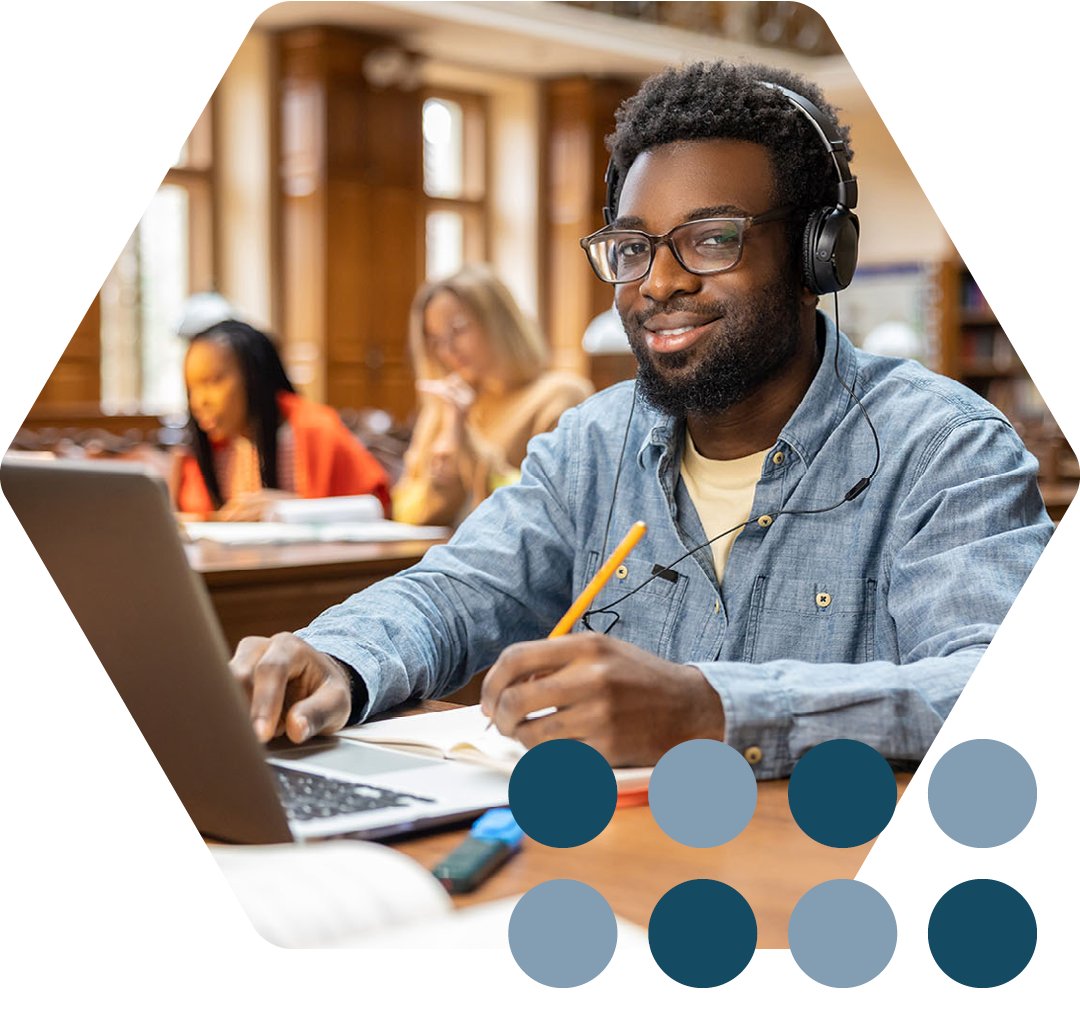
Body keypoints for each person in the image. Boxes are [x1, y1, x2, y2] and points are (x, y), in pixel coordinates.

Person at [229, 62, 1053, 779]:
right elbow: (459, 591)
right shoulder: (591, 443)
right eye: (632, 247)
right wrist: (337, 657)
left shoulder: (946, 447)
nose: (657, 283)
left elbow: (1005, 693)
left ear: (817, 256)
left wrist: (710, 712)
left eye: (710, 240)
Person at [391, 263, 593, 526]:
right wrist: (443, 478)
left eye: (459, 329)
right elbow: (405, 510)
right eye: (437, 340)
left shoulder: (560, 395)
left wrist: (467, 442)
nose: (448, 350)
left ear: (499, 322)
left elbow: (548, 504)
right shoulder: (446, 404)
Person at [176, 320, 391, 520]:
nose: (198, 401)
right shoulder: (212, 450)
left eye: (213, 381)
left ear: (254, 376)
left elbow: (377, 507)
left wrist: (290, 509)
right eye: (191, 388)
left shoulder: (315, 429)